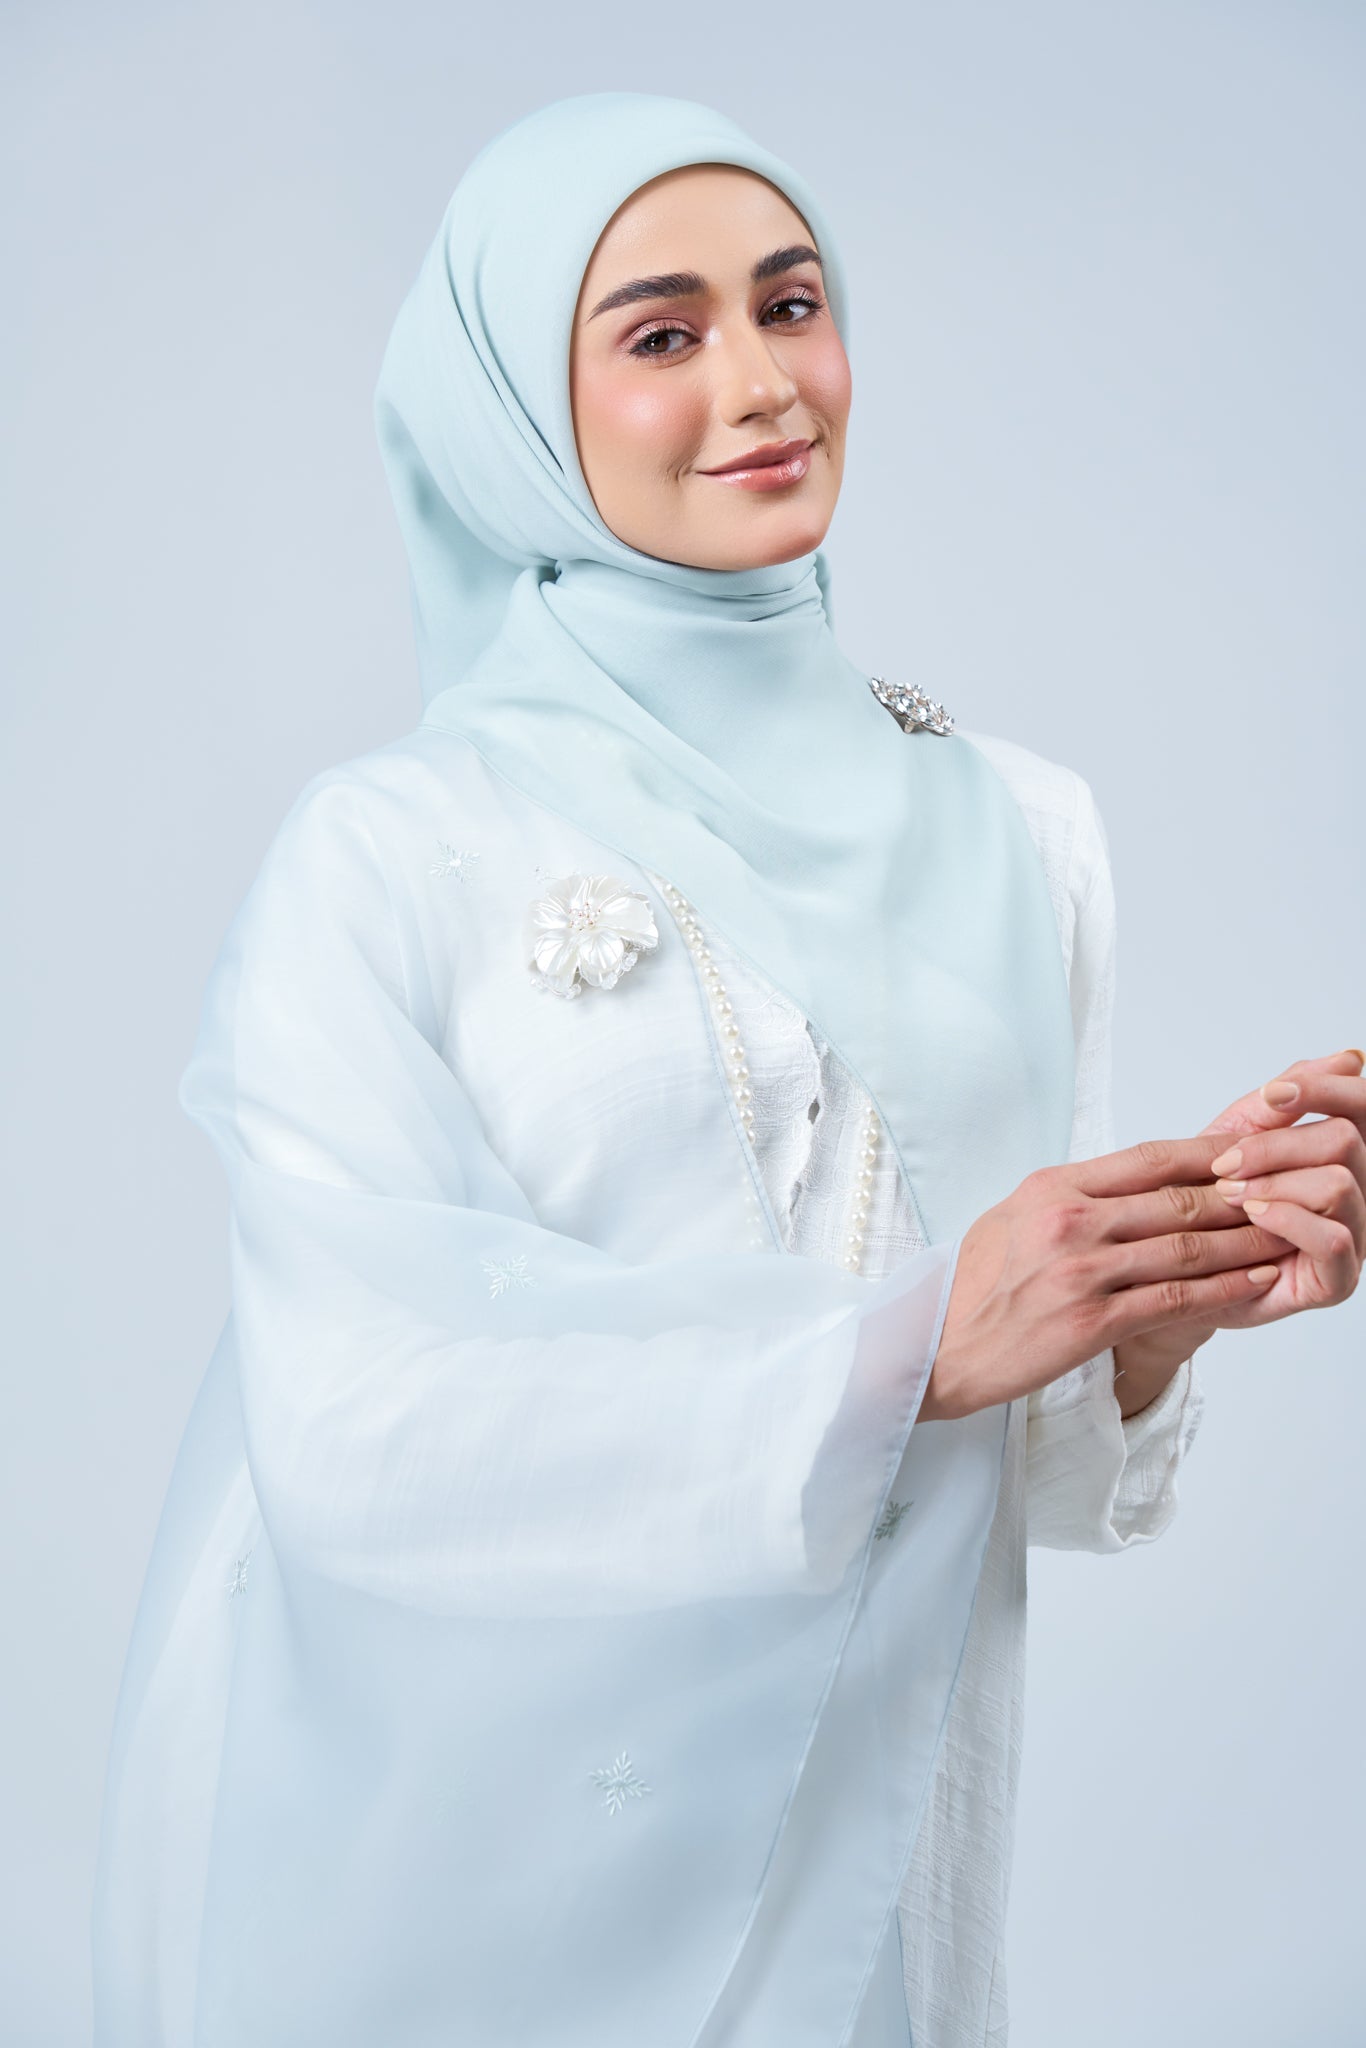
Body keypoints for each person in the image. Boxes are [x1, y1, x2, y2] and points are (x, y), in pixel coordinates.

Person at [91, 92, 1364, 2047]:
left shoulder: (1019, 832)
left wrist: (1157, 1295)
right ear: (520, 409)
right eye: (662, 334)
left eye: (790, 304)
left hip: (867, 1845)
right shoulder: (397, 849)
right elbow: (355, 1433)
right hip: (467, 1860)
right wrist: (905, 1346)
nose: (762, 384)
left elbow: (1025, 1476)